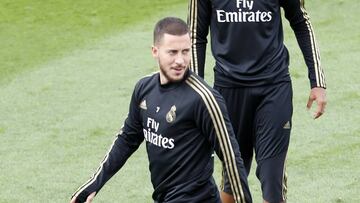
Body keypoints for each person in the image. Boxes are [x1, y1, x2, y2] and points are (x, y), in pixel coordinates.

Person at [70, 17, 252, 203]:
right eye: (172, 52)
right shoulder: (144, 89)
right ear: (155, 52)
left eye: (185, 51)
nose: (180, 60)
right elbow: (127, 139)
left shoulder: (204, 99)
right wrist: (94, 184)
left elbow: (232, 160)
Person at [188, 0, 327, 202]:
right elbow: (195, 35)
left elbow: (301, 21)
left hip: (274, 88)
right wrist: (195, 90)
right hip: (228, 91)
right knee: (233, 178)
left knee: (273, 182)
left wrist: (318, 81)